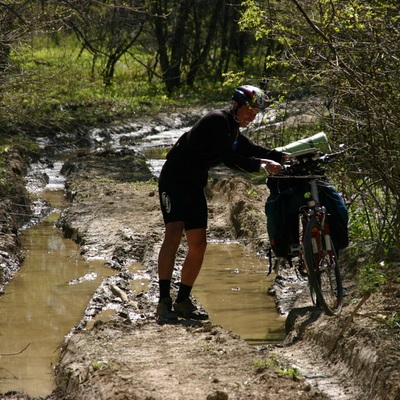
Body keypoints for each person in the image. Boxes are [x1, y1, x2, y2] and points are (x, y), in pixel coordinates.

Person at [156, 84, 286, 322]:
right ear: (235, 105)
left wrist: (284, 156)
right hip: (174, 179)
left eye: (255, 113)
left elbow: (252, 149)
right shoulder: (218, 120)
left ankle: (183, 300)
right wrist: (261, 164)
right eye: (248, 110)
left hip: (195, 183)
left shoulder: (232, 128)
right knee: (174, 233)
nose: (251, 116)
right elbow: (229, 158)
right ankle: (163, 302)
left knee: (199, 243)